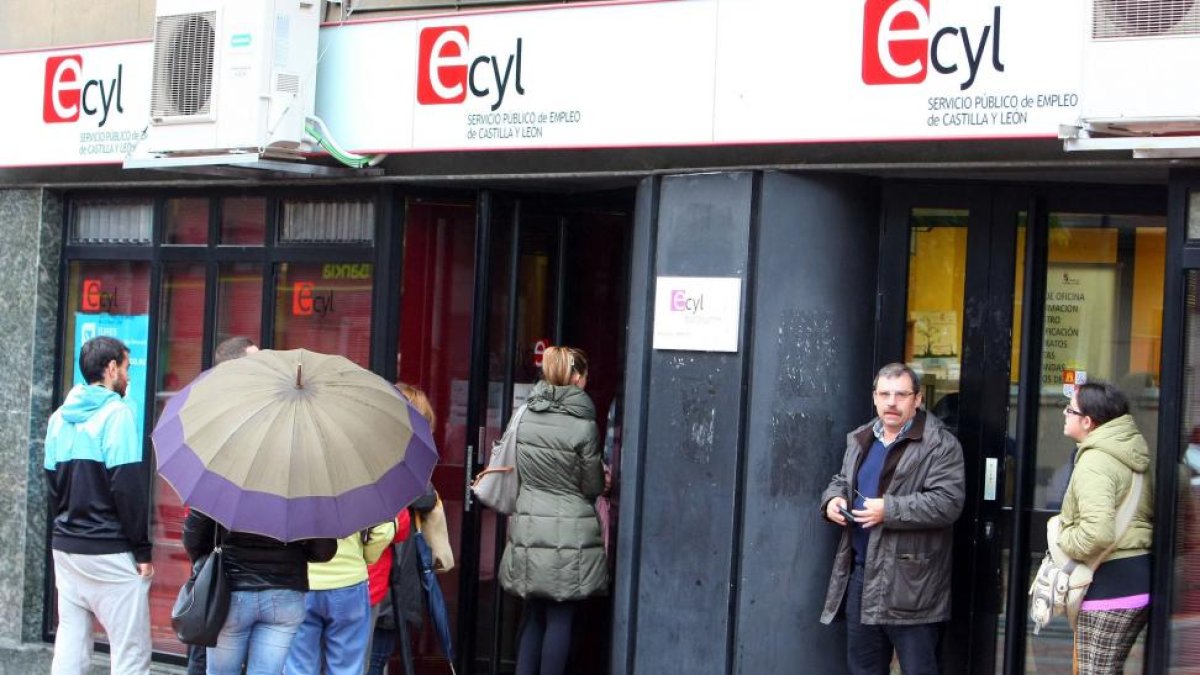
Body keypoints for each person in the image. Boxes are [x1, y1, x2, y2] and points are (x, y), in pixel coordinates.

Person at [819, 362, 965, 675]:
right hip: (861, 574)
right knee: (864, 669)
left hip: (912, 582)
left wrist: (888, 510)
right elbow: (842, 480)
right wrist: (832, 499)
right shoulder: (862, 438)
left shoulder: (940, 445)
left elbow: (948, 503)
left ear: (918, 399)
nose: (891, 402)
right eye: (884, 394)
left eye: (901, 394)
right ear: (874, 397)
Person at [44, 336, 154, 674]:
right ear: (110, 369)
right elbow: (127, 488)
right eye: (126, 367)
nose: (129, 376)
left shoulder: (59, 418)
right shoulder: (117, 414)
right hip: (108, 550)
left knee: (70, 648)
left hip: (66, 548)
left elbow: (51, 488)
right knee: (131, 653)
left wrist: (66, 530)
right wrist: (142, 551)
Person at [498, 346, 607, 675]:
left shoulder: (526, 415)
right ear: (576, 378)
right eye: (585, 376)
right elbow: (591, 486)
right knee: (561, 617)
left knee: (534, 614)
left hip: (530, 526)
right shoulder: (583, 426)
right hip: (569, 532)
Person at [1057, 381, 1154, 674]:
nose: (1064, 414)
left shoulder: (1096, 461)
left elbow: (1097, 533)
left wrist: (1063, 537)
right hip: (1136, 581)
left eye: (1069, 410)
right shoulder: (1129, 452)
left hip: (1109, 586)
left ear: (1087, 422)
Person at [185, 336, 262, 675]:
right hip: (221, 572)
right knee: (206, 655)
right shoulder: (217, 423)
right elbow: (199, 514)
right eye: (256, 363)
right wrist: (203, 556)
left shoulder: (261, 419)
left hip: (252, 573)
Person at [284, 519, 396, 675]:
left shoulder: (290, 493)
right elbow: (383, 530)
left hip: (299, 580)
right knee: (346, 667)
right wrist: (367, 556)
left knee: (299, 667)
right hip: (349, 579)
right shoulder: (360, 493)